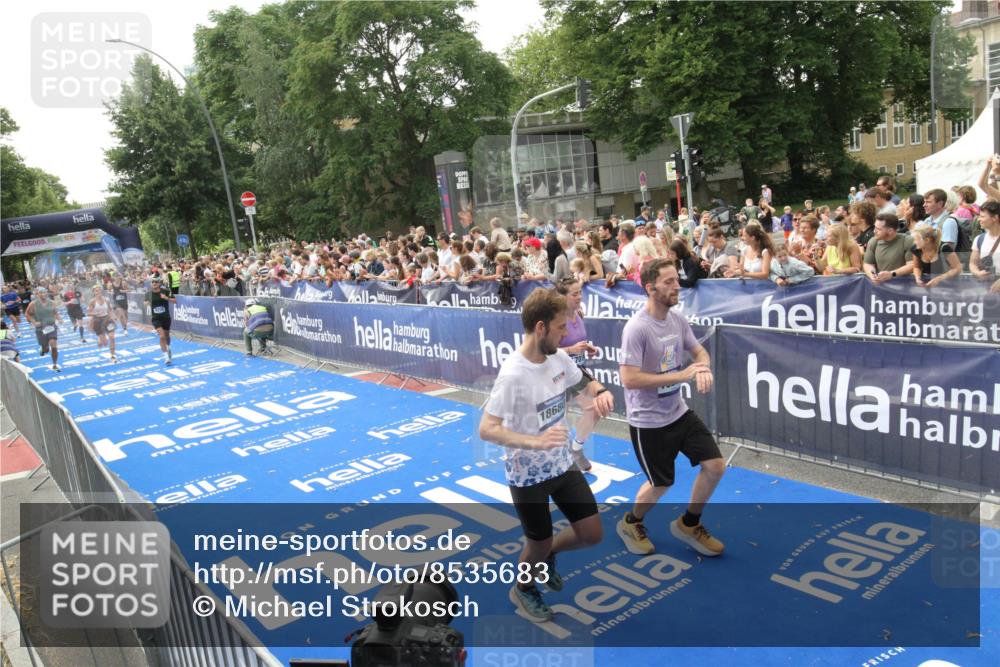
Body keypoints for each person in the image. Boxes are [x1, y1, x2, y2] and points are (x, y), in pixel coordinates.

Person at [479, 288, 614, 622]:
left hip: (562, 464)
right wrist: (535, 442)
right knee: (536, 543)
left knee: (591, 534)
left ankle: (548, 553)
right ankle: (523, 588)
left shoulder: (558, 357)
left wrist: (601, 391)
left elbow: (583, 381)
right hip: (527, 475)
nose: (566, 333)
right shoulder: (513, 374)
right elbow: (487, 429)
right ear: (541, 327)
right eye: (560, 327)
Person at [616, 259, 724, 557]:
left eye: (677, 279)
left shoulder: (677, 320)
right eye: (669, 282)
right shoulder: (637, 328)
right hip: (648, 421)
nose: (677, 286)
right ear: (651, 288)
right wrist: (680, 375)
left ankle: (689, 524)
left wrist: (702, 368)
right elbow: (629, 378)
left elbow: (699, 352)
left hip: (678, 412)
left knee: (715, 466)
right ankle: (630, 523)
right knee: (660, 484)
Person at [554, 278, 600, 471]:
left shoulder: (579, 314)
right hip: (559, 375)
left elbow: (577, 342)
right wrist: (571, 349)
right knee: (557, 420)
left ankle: (576, 449)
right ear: (563, 297)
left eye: (580, 292)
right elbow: (545, 350)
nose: (579, 296)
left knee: (595, 409)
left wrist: (586, 347)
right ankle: (557, 457)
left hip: (578, 371)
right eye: (574, 294)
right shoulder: (556, 319)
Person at [863, 213, 914, 283]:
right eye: (875, 227)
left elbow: (912, 265)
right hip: (880, 285)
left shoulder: (907, 241)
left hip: (903, 285)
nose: (874, 231)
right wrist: (872, 275)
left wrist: (892, 274)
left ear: (890, 231)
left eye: (878, 229)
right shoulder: (873, 241)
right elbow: (868, 263)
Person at [24, 287, 61, 371]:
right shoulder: (33, 304)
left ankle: (55, 364)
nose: (43, 294)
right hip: (40, 328)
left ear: (46, 293)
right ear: (37, 294)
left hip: (51, 326)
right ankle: (43, 349)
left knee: (53, 344)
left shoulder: (52, 302)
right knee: (46, 349)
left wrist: (59, 319)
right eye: (40, 293)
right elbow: (27, 314)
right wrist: (34, 322)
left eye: (44, 292)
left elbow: (55, 312)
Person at [970, 199, 1000, 292]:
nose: (979, 219)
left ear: (995, 217)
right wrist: (977, 272)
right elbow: (973, 263)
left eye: (982, 216)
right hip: (988, 289)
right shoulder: (979, 239)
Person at [147, 275, 176, 365]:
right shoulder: (148, 294)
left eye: (156, 282)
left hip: (166, 317)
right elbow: (145, 302)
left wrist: (166, 298)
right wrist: (147, 303)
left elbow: (175, 301)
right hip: (156, 318)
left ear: (159, 283)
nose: (154, 283)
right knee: (162, 336)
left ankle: (168, 347)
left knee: (167, 336)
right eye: (152, 282)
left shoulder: (166, 291)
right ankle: (166, 357)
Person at [87, 285, 118, 362]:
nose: (98, 292)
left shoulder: (106, 300)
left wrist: (114, 317)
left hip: (107, 319)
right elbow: (88, 313)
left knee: (112, 337)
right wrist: (95, 314)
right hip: (97, 321)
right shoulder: (92, 301)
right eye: (96, 291)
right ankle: (100, 339)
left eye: (99, 290)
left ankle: (113, 356)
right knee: (104, 343)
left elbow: (110, 310)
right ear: (94, 292)